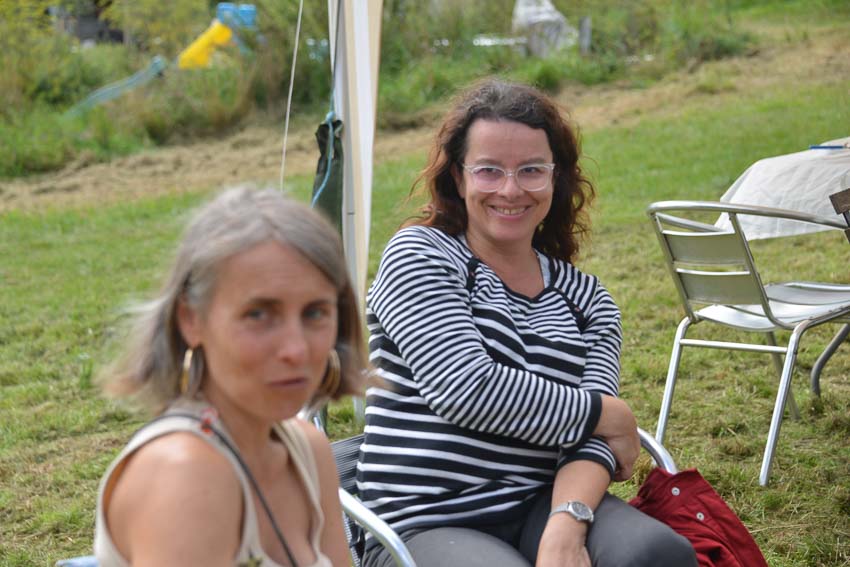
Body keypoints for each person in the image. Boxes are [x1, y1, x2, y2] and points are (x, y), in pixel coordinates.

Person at [357, 80, 697, 567]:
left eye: (532, 170)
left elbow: (593, 440)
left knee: (656, 553)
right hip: (426, 519)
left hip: (543, 500)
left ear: (557, 179)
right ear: (458, 178)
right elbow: (465, 391)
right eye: (489, 170)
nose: (511, 189)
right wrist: (611, 413)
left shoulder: (588, 299)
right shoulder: (420, 255)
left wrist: (567, 523)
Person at [94, 186, 367, 567]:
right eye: (258, 314)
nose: (296, 349)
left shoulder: (308, 451)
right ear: (191, 320)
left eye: (315, 313)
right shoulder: (184, 477)